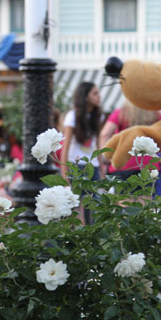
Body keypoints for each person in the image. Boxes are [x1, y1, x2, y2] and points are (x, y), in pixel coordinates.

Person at [60, 81, 103, 225]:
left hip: (93, 166)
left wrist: (102, 168)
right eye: (95, 93)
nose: (99, 97)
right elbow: (65, 148)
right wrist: (64, 174)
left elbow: (97, 146)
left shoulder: (97, 116)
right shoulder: (72, 116)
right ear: (85, 97)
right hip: (76, 166)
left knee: (92, 206)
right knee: (75, 208)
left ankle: (91, 239)